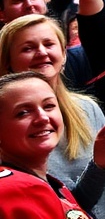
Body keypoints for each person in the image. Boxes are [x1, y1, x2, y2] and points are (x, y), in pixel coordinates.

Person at [0, 14, 105, 218]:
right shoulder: (11, 131)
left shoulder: (88, 108)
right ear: (8, 63)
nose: (41, 52)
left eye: (48, 44)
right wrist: (98, 166)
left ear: (64, 54)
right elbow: (57, 208)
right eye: (28, 48)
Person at [0, 71, 88, 218]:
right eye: (23, 112)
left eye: (48, 106)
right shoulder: (16, 189)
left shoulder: (45, 183)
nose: (43, 118)